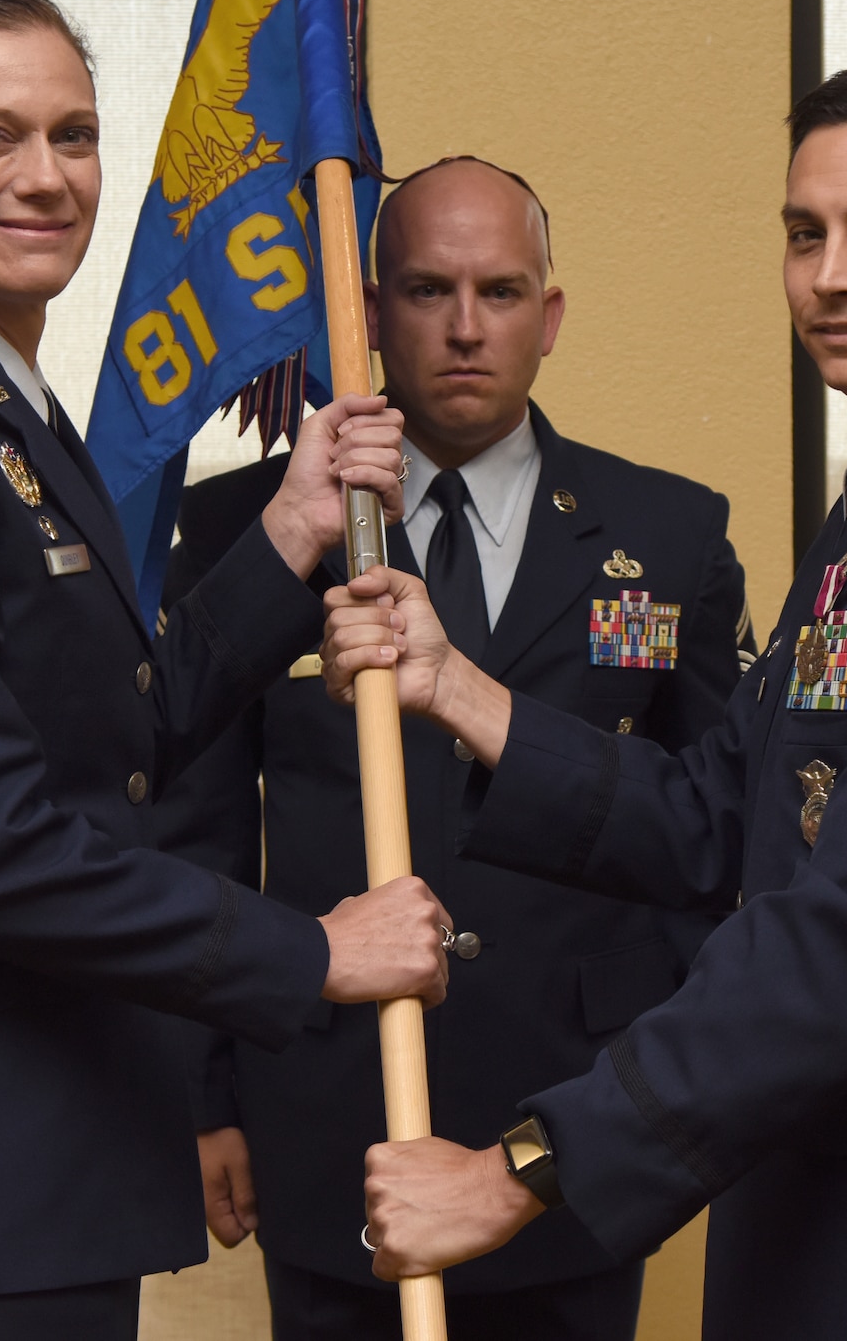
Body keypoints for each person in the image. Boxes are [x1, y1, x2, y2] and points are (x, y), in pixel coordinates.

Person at [325, 59, 847, 1338]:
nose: (831, 274)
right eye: (803, 233)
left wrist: (522, 1169)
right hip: (833, 1209)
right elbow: (722, 808)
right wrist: (457, 689)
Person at [0, 0, 452, 1341]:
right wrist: (308, 954)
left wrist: (295, 534)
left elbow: (115, 739)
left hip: (25, 1177)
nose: (47, 177)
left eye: (75, 135)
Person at [154, 156, 754, 1341]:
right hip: (332, 1106)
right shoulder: (253, 527)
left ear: (551, 315)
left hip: (569, 1112)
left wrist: (661, 1073)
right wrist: (202, 1092)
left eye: (501, 290)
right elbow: (197, 829)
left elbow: (710, 831)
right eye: (427, 291)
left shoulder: (667, 533)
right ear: (367, 315)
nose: (466, 327)